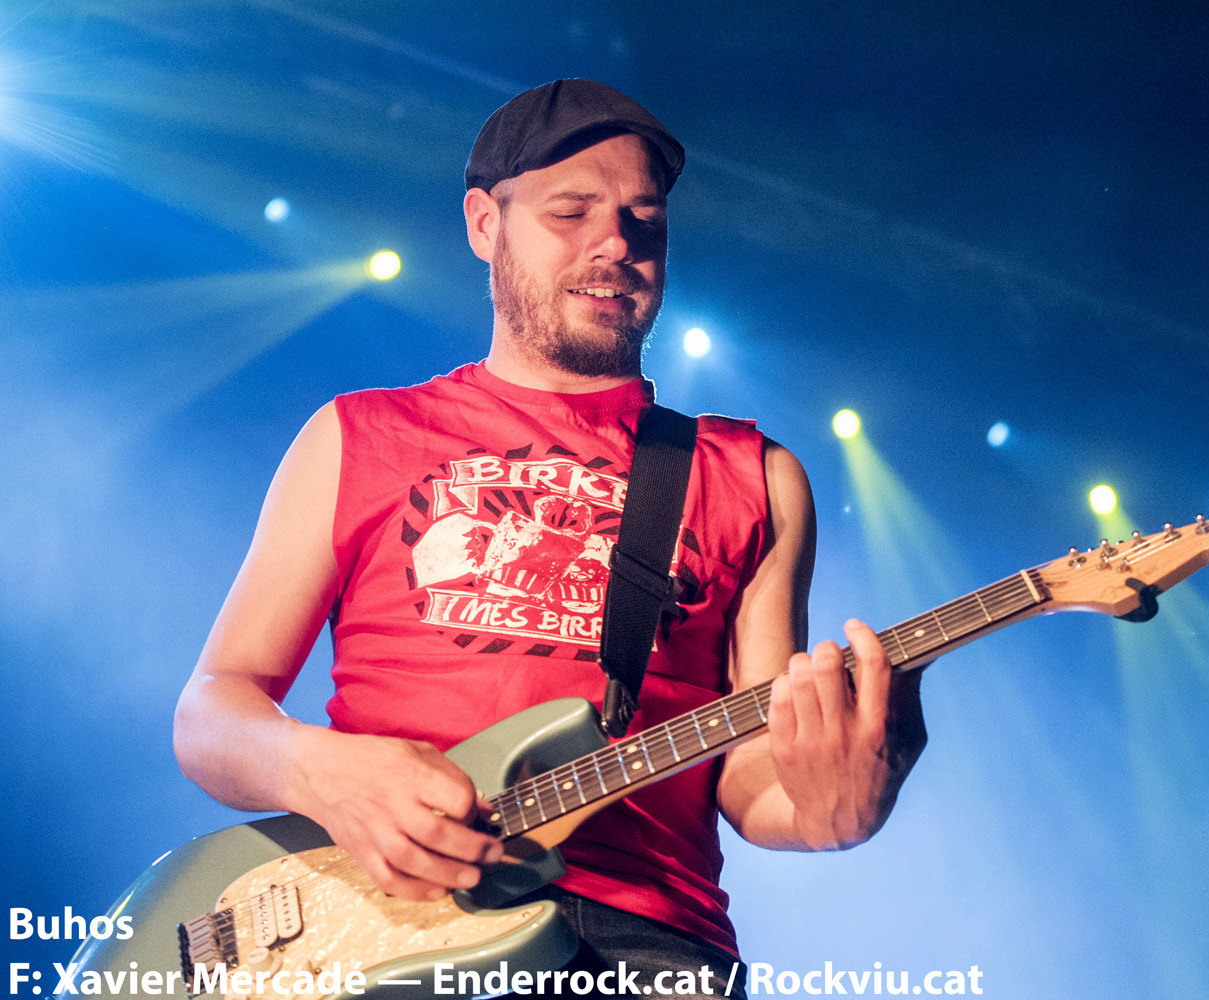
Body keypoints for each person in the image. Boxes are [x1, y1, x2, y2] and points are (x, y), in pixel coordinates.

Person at [173, 78, 926, 998]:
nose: (616, 243)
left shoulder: (751, 473)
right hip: (374, 928)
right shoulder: (356, 435)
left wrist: (832, 812)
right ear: (484, 224)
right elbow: (211, 712)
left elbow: (750, 773)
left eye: (645, 220)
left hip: (646, 948)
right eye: (572, 212)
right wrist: (317, 771)